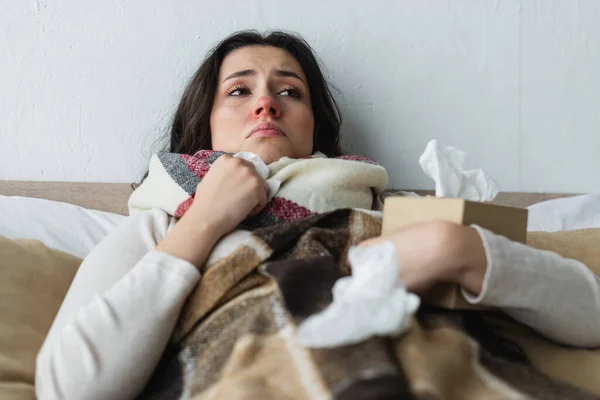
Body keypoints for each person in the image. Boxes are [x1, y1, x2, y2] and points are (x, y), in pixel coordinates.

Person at [35, 30, 600, 400]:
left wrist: (461, 252)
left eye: (290, 91)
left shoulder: (392, 213)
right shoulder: (161, 228)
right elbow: (69, 388)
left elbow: (590, 317)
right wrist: (205, 221)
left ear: (314, 129)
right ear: (204, 124)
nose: (266, 103)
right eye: (239, 90)